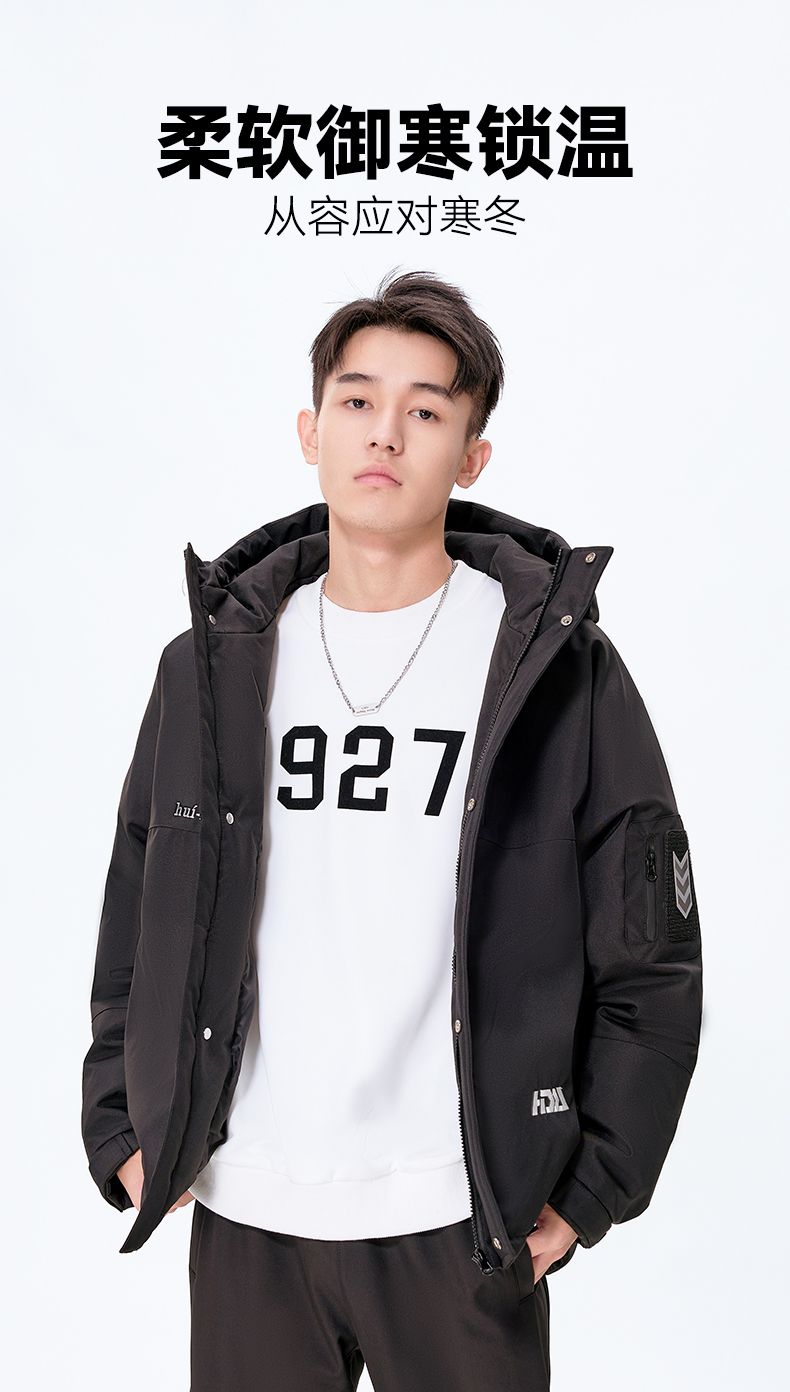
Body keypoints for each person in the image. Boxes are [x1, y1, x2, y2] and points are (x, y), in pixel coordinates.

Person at [82, 269, 703, 1391]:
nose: (386, 433)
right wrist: (125, 1121)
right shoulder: (211, 667)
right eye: (359, 401)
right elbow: (142, 902)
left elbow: (650, 952)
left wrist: (591, 1190)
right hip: (248, 1205)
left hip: (462, 1212)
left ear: (472, 457)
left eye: (427, 410)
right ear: (310, 431)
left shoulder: (553, 668)